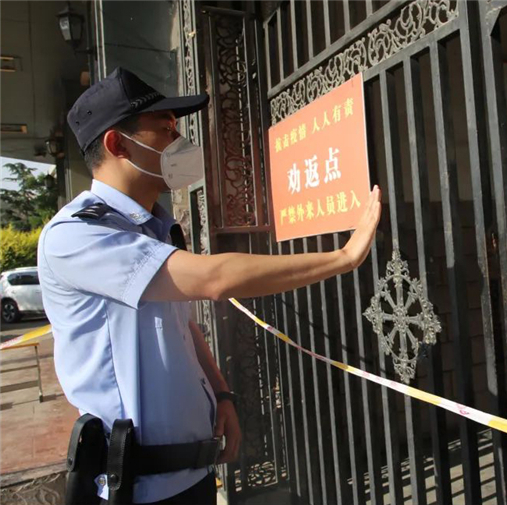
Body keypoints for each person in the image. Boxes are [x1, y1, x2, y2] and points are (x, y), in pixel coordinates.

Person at [38, 68, 381, 504]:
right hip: (137, 489)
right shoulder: (77, 235)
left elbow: (182, 328)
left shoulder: (152, 228)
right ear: (117, 144)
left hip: (192, 472)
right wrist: (343, 257)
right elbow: (214, 279)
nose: (178, 141)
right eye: (165, 130)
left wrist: (220, 394)